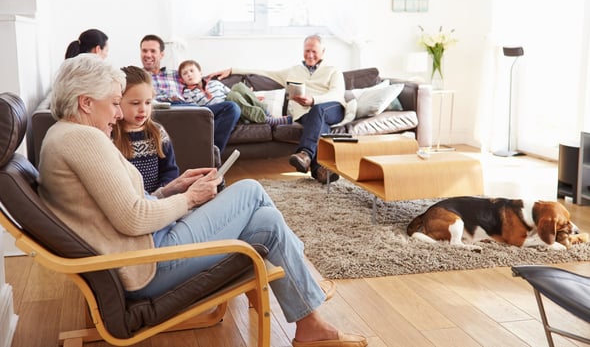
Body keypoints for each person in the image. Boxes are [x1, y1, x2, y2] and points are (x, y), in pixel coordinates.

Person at [37, 54, 367, 347]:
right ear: (85, 102)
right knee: (250, 190)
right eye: (113, 102)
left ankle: (309, 325)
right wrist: (191, 198)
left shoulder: (64, 136)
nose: (116, 113)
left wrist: (172, 188)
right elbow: (133, 219)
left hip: (143, 251)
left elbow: (120, 208)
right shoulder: (83, 139)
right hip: (147, 264)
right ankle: (305, 279)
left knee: (265, 223)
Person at [209, 35, 346, 184]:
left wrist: (313, 100)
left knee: (318, 110)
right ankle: (320, 169)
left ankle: (305, 153)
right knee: (319, 123)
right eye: (307, 51)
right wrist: (232, 70)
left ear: (323, 51)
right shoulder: (294, 71)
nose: (310, 55)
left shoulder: (333, 71)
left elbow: (337, 93)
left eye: (314, 51)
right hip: (308, 114)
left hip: (333, 107)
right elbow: (264, 72)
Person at [139, 34, 240, 154]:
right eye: (144, 51)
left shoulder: (176, 74)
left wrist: (230, 71)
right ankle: (206, 156)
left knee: (231, 107)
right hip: (162, 110)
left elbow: (196, 78)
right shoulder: (139, 76)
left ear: (161, 55)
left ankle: (210, 153)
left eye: (152, 51)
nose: (148, 55)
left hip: (189, 108)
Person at [112, 66, 179, 194]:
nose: (143, 109)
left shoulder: (157, 132)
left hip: (158, 201)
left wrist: (162, 190)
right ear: (118, 101)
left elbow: (170, 170)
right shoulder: (110, 135)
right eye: (135, 103)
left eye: (148, 103)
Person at [178, 59, 292, 127]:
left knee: (239, 87)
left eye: (192, 71)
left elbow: (232, 93)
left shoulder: (214, 83)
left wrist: (250, 96)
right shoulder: (188, 93)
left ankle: (267, 114)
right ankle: (267, 120)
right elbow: (193, 111)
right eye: (185, 73)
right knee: (233, 97)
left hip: (240, 110)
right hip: (222, 113)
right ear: (182, 80)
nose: (189, 74)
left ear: (200, 72)